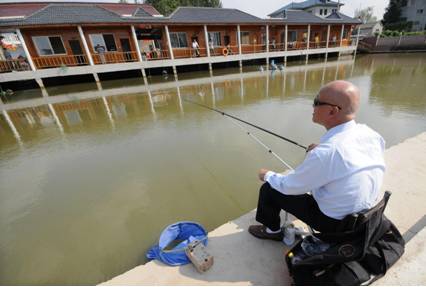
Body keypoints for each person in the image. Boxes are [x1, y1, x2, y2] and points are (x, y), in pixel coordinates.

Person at [248, 80, 386, 241]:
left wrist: (266, 174)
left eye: (316, 102)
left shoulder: (326, 153)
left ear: (333, 111)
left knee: (270, 188)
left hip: (335, 224)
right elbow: (348, 157)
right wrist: (321, 149)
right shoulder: (371, 134)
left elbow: (289, 186)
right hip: (366, 216)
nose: (312, 107)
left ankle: (272, 231)